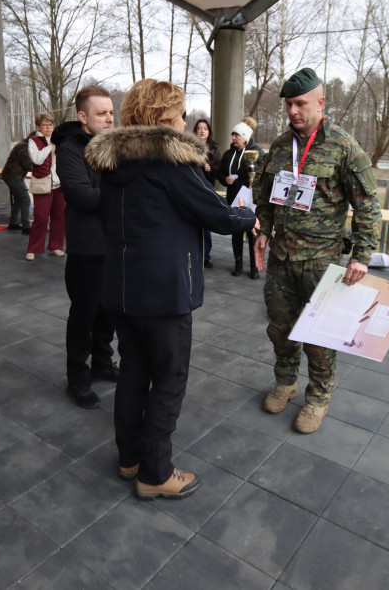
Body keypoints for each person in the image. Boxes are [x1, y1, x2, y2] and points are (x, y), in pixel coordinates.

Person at [86, 78, 257, 500]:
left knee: (133, 374)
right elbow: (216, 214)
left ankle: (130, 458)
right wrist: (249, 219)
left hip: (122, 290)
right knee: (169, 379)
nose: (185, 121)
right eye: (179, 113)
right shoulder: (171, 163)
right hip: (163, 294)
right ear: (163, 117)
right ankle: (155, 472)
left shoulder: (112, 163)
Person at [252, 67, 381, 434]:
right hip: (281, 258)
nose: (293, 111)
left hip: (322, 262)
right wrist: (262, 230)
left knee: (320, 337)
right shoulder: (279, 146)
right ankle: (285, 382)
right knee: (280, 328)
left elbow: (368, 206)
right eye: (289, 104)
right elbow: (263, 194)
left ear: (321, 103)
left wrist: (361, 255)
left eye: (300, 103)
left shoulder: (344, 146)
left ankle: (318, 398)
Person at [52, 86, 120, 410]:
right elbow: (80, 194)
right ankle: (77, 379)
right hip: (86, 249)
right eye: (101, 113)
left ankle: (103, 363)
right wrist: (122, 196)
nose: (109, 118)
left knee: (108, 313)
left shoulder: (113, 146)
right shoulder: (68, 149)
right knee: (83, 317)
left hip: (113, 246)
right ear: (83, 117)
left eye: (110, 112)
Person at [217, 117, 264, 279]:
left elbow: (265, 174)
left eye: (237, 135)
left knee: (252, 234)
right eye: (232, 135)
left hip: (251, 200)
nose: (233, 138)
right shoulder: (228, 154)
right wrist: (225, 180)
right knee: (236, 233)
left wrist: (256, 179)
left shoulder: (257, 153)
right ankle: (238, 264)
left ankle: (254, 266)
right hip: (234, 199)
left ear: (245, 136)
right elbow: (220, 173)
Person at [24, 113, 65, 261]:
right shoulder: (34, 141)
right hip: (43, 184)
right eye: (45, 125)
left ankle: (56, 246)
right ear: (39, 127)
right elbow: (37, 159)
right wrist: (50, 146)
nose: (48, 127)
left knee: (59, 217)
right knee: (41, 217)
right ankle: (33, 249)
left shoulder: (58, 140)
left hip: (59, 185)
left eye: (50, 125)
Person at [194, 118, 222, 268]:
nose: (202, 131)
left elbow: (220, 171)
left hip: (207, 190)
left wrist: (211, 169)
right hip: (192, 190)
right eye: (199, 128)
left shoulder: (215, 150)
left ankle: (206, 255)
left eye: (205, 128)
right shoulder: (189, 147)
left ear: (209, 132)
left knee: (205, 225)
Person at [1, 139, 32, 231]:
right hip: (13, 176)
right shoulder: (24, 147)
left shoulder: (24, 145)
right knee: (25, 199)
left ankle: (13, 223)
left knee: (19, 200)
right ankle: (26, 227)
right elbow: (28, 165)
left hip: (13, 175)